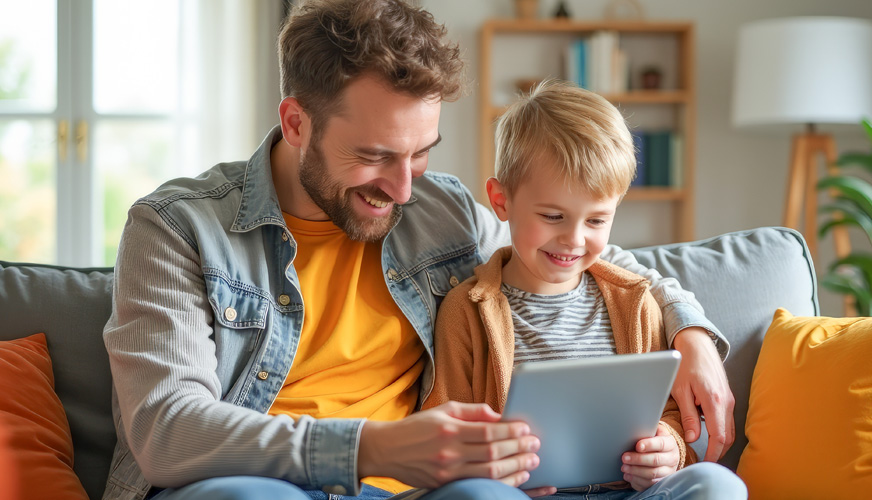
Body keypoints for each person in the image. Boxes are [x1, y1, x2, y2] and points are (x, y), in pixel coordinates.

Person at [101, 1, 733, 499]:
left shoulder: (443, 209)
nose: (404, 188)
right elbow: (167, 429)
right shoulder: (177, 228)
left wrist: (691, 334)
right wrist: (377, 448)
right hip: (253, 485)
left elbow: (578, 250)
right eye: (374, 155)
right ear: (297, 123)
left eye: (421, 152)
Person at [423, 80, 746, 499]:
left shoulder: (635, 303)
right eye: (553, 215)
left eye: (596, 220)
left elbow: (664, 415)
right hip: (521, 495)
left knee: (717, 484)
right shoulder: (466, 310)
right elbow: (445, 425)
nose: (574, 239)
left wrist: (668, 448)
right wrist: (488, 473)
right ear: (501, 201)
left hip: (627, 493)